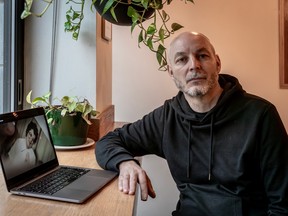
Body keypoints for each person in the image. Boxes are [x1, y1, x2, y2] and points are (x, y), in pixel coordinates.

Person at [95, 31, 288, 215]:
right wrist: (125, 162)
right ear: (171, 72)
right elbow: (108, 142)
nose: (194, 65)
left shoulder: (261, 116)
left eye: (202, 56)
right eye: (181, 60)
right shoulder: (167, 117)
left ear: (217, 63)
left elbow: (283, 204)